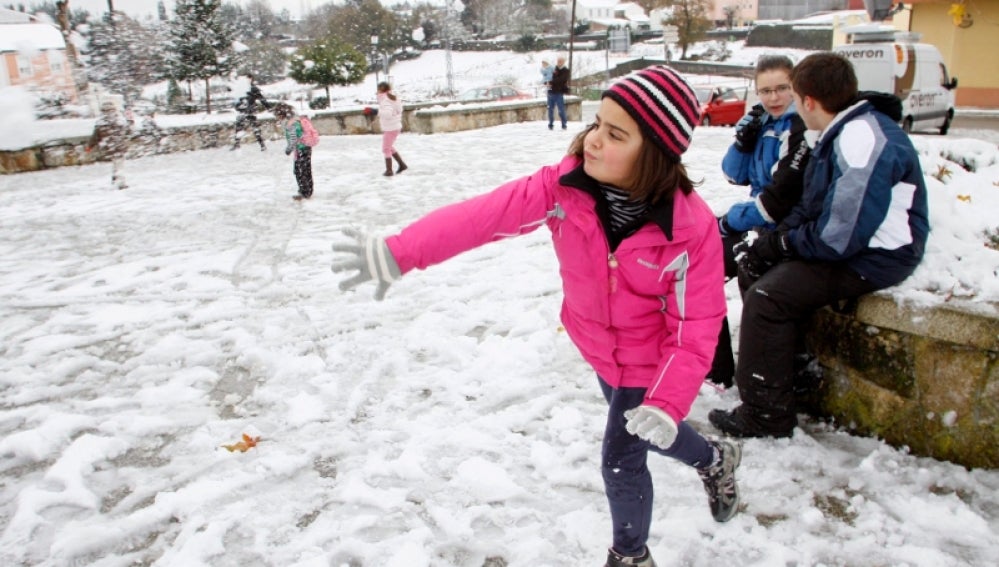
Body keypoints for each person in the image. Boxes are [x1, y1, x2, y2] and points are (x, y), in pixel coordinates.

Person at [331, 66, 741, 567]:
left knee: (622, 457)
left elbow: (696, 327)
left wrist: (667, 395)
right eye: (596, 124)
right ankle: (715, 459)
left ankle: (630, 556)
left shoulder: (689, 231)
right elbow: (482, 217)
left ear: (654, 153)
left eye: (615, 134)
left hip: (651, 360)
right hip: (599, 349)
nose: (592, 140)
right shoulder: (562, 189)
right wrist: (400, 252)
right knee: (652, 431)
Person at [708, 52, 930, 438]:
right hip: (851, 246)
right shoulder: (837, 132)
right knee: (754, 266)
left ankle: (766, 414)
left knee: (768, 297)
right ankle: (788, 377)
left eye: (790, 93)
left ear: (808, 100)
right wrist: (772, 243)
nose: (787, 103)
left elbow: (838, 236)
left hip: (877, 255)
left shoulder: (861, 139)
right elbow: (812, 207)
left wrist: (783, 246)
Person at [708, 55, 811, 389]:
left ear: (796, 88)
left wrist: (728, 222)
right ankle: (716, 368)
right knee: (700, 268)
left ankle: (766, 377)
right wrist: (743, 141)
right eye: (765, 91)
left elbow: (776, 202)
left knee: (746, 273)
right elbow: (732, 174)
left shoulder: (801, 127)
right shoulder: (764, 124)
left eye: (782, 88)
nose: (774, 98)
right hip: (758, 221)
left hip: (784, 227)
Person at [87, 100, 131, 190]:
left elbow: (95, 137)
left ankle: (115, 179)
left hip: (109, 147)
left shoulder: (101, 123)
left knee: (116, 163)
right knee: (119, 164)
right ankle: (120, 182)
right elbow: (128, 131)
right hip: (119, 146)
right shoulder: (120, 121)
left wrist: (89, 146)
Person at [273, 103, 313, 200]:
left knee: (299, 171)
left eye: (277, 116)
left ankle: (304, 192)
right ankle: (308, 191)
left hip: (300, 149)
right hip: (306, 148)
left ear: (281, 115)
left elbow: (293, 140)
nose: (277, 118)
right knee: (306, 170)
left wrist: (288, 150)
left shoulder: (290, 124)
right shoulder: (296, 120)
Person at [232, 75, 271, 151]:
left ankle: (262, 145)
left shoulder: (253, 89)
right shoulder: (241, 89)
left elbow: (261, 98)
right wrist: (238, 107)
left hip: (250, 111)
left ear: (251, 79)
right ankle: (237, 144)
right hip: (242, 111)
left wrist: (268, 107)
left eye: (248, 79)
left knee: (255, 128)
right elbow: (237, 101)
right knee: (238, 127)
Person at [377, 81, 407, 176]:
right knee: (389, 147)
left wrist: (375, 111)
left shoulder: (385, 100)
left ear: (380, 90)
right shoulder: (392, 97)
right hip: (394, 126)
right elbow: (399, 110)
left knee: (386, 149)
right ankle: (402, 165)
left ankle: (389, 170)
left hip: (390, 128)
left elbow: (388, 114)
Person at [547, 55, 570, 130]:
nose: (559, 63)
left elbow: (561, 80)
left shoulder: (565, 70)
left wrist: (552, 82)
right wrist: (548, 82)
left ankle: (564, 124)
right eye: (558, 61)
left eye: (560, 61)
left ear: (563, 62)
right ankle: (550, 124)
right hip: (551, 91)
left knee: (561, 110)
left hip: (559, 92)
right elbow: (549, 77)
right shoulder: (554, 69)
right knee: (550, 109)